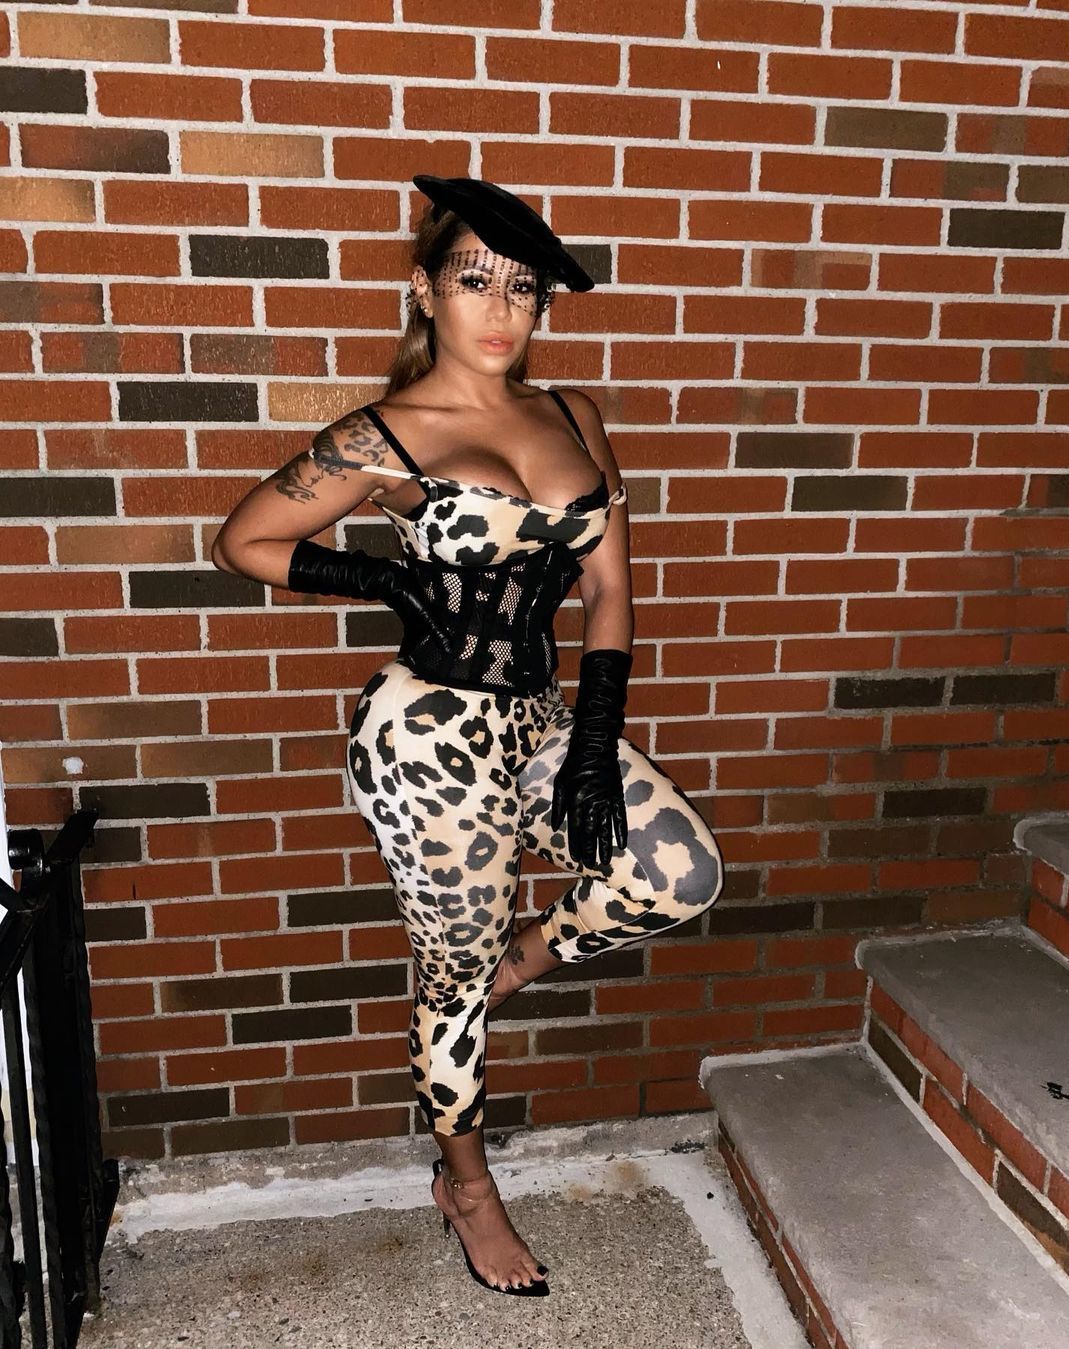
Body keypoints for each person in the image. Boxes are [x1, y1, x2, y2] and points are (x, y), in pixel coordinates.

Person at [212, 174, 725, 1298]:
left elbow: (609, 591)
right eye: (475, 280)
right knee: (445, 976)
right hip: (427, 734)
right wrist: (383, 580)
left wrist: (594, 740)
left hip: (543, 716)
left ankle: (507, 968)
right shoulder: (384, 435)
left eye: (524, 288)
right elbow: (241, 539)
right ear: (425, 289)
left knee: (678, 871)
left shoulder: (575, 414)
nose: (502, 309)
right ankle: (469, 1186)